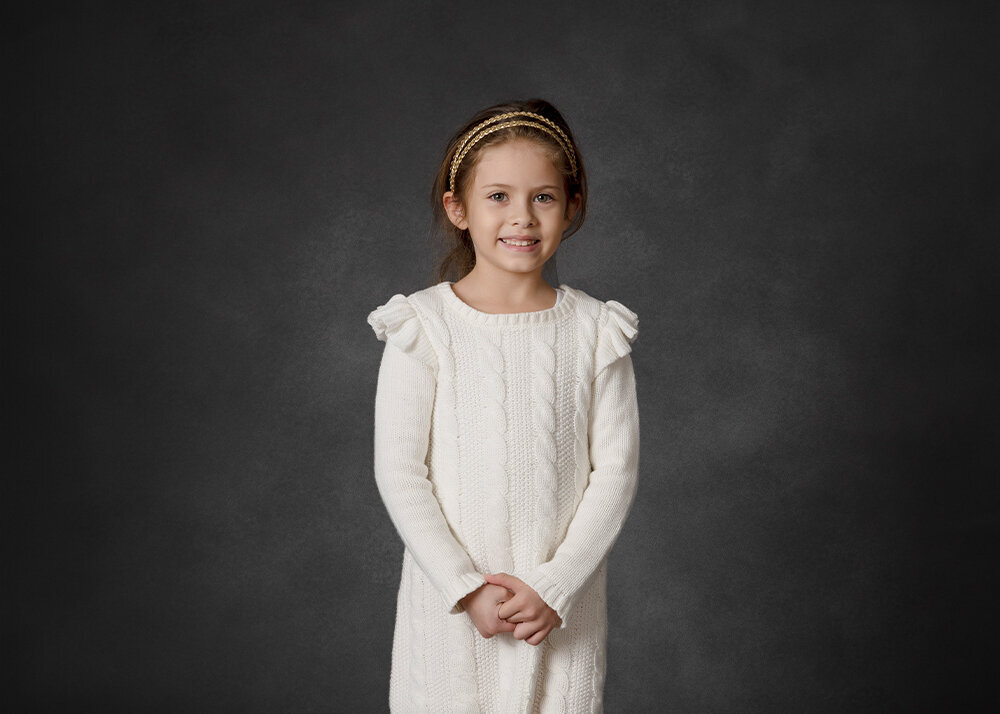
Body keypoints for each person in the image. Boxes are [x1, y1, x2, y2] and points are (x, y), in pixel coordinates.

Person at [367, 98, 641, 712]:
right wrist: (466, 589)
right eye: (498, 197)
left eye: (543, 197)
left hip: (557, 617)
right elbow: (401, 472)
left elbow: (615, 475)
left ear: (572, 206)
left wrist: (555, 585)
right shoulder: (424, 327)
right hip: (453, 619)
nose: (522, 217)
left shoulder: (596, 332)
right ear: (457, 208)